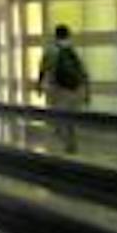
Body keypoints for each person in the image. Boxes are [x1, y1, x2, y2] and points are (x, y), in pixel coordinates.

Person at [38, 22, 90, 152]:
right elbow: (84, 72)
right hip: (75, 90)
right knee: (71, 118)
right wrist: (87, 92)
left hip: (58, 90)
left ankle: (65, 139)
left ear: (55, 36)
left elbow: (43, 69)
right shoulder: (73, 50)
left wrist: (39, 85)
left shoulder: (50, 50)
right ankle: (70, 142)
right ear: (68, 35)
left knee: (59, 117)